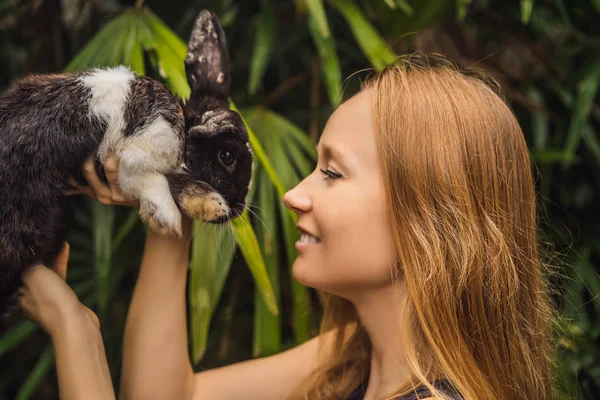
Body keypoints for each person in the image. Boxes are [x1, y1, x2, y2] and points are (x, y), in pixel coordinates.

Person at [18, 53, 556, 400]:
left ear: (430, 217)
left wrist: (75, 329)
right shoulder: (353, 359)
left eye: (333, 172)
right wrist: (183, 185)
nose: (295, 195)